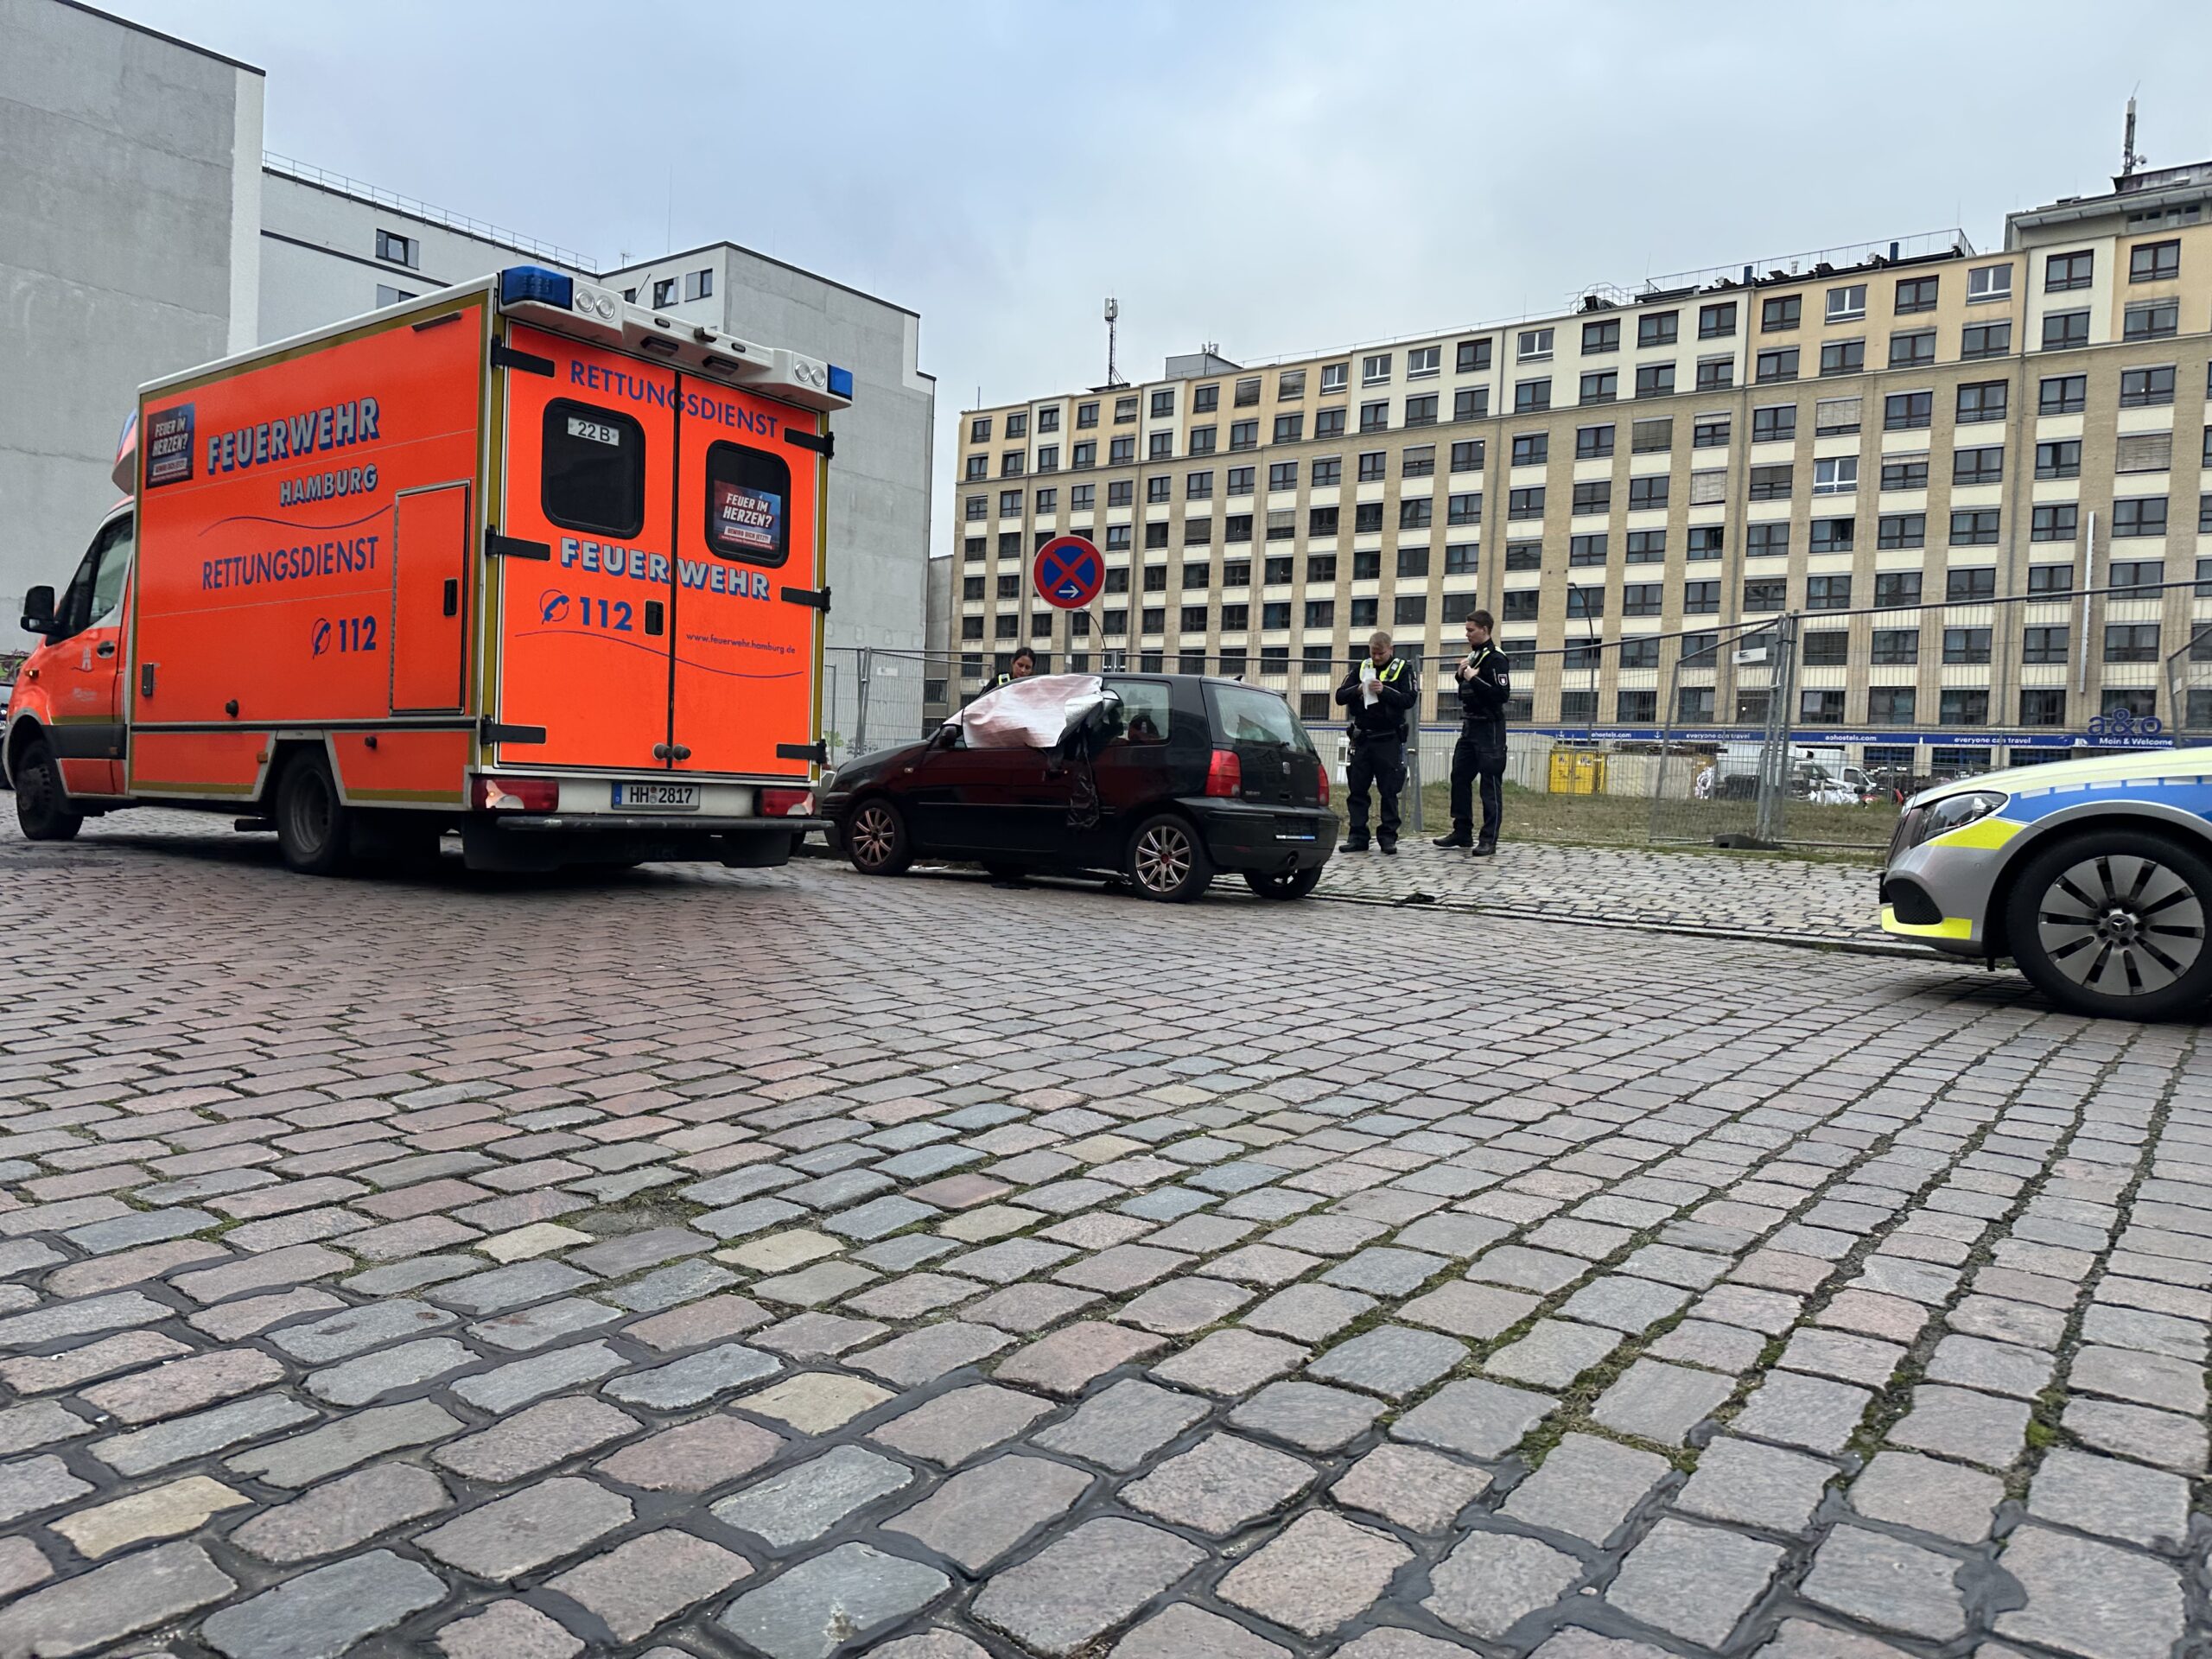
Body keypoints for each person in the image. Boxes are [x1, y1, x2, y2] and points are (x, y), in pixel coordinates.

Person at [1433, 609, 1510, 855]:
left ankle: (1488, 839)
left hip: (1490, 728)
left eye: (1470, 630)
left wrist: (1473, 679)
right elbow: (1468, 691)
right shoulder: (1474, 656)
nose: (1467, 634)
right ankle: (1462, 831)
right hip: (1469, 726)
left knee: (1489, 783)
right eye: (1466, 629)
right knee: (1459, 777)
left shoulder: (1496, 658)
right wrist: (1461, 676)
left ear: (1484, 630)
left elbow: (1501, 695)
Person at [1334, 629, 1417, 854]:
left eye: (1380, 653)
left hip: (1388, 738)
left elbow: (1409, 699)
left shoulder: (1402, 668)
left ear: (1390, 650)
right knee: (1357, 789)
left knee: (1389, 790)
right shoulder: (1362, 668)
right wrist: (1358, 689)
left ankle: (1388, 837)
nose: (1377, 657)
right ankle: (1357, 836)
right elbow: (1340, 696)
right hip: (1363, 738)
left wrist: (1385, 690)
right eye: (1373, 653)